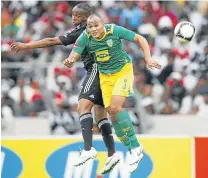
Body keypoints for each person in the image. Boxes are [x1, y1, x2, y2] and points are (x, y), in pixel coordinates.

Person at [10, 3, 119, 174]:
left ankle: (88, 150)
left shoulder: (84, 30)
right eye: (73, 14)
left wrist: (26, 46)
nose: (73, 18)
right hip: (110, 73)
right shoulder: (101, 27)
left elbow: (53, 41)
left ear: (85, 17)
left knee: (83, 107)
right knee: (100, 114)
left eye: (77, 15)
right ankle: (112, 154)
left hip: (97, 70)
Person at [64, 14, 161, 172]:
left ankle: (136, 147)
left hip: (123, 71)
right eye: (90, 26)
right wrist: (69, 61)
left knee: (115, 108)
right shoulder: (85, 37)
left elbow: (140, 39)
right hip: (105, 76)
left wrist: (148, 58)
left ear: (103, 24)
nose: (93, 29)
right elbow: (73, 55)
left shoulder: (114, 30)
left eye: (96, 25)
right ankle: (131, 150)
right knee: (112, 114)